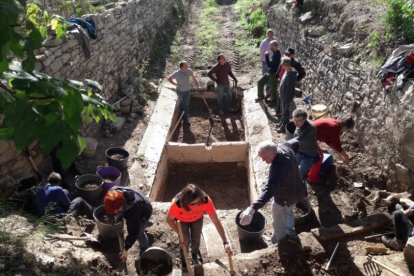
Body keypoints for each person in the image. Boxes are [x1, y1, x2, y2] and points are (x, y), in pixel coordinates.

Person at [239, 139, 307, 244]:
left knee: (279, 220)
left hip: (284, 198)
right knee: (289, 212)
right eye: (261, 157)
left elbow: (269, 190)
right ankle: (290, 233)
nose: (262, 160)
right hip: (297, 191)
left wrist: (252, 208)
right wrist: (294, 160)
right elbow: (297, 142)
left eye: (264, 158)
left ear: (274, 153)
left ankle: (278, 242)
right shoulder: (284, 146)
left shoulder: (278, 167)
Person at [166, 184, 232, 268]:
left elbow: (216, 221)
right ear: (186, 203)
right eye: (193, 204)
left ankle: (194, 255)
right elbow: (169, 220)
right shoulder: (177, 204)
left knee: (196, 239)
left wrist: (225, 242)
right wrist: (179, 233)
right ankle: (184, 261)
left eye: (199, 202)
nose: (197, 205)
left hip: (197, 219)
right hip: (182, 221)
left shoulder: (205, 200)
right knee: (184, 241)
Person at [103, 187, 153, 261]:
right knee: (136, 223)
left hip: (145, 211)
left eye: (116, 211)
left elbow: (133, 233)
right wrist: (112, 218)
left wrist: (126, 249)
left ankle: (145, 249)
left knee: (139, 233)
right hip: (137, 208)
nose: (115, 213)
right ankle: (145, 224)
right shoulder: (112, 193)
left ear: (120, 206)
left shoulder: (132, 210)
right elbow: (111, 209)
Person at [307, 116, 355, 182]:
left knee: (317, 154)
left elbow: (327, 137)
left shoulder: (336, 123)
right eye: (347, 130)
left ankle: (310, 167)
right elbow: (338, 146)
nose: (346, 131)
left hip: (310, 133)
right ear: (345, 127)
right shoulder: (334, 128)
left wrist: (332, 146)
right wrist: (346, 157)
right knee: (319, 156)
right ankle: (311, 178)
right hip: (307, 137)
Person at [168, 61, 200, 125]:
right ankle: (180, 118)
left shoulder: (189, 71)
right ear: (182, 67)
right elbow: (169, 79)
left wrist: (197, 84)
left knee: (186, 105)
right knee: (181, 105)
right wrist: (175, 84)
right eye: (186, 66)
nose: (187, 67)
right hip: (180, 92)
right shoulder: (177, 73)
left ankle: (186, 120)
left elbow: (193, 77)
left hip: (187, 91)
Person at [292, 108, 319, 181]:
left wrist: (285, 145)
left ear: (305, 119)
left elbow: (298, 138)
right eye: (294, 120)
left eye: (298, 121)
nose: (296, 123)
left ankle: (299, 187)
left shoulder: (310, 128)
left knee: (301, 173)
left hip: (309, 155)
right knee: (292, 166)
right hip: (300, 151)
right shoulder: (299, 125)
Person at [257, 40, 281, 106]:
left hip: (273, 75)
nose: (270, 48)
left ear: (275, 46)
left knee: (273, 89)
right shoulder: (275, 53)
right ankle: (261, 96)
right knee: (260, 82)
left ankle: (273, 102)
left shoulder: (277, 55)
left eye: (271, 46)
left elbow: (269, 65)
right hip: (269, 73)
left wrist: (266, 56)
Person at [278, 57, 297, 133]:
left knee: (285, 113)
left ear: (285, 65)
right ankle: (281, 123)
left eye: (282, 65)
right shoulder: (287, 71)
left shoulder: (290, 76)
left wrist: (285, 98)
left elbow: (289, 89)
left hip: (286, 96)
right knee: (283, 111)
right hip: (283, 95)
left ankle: (283, 127)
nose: (281, 66)